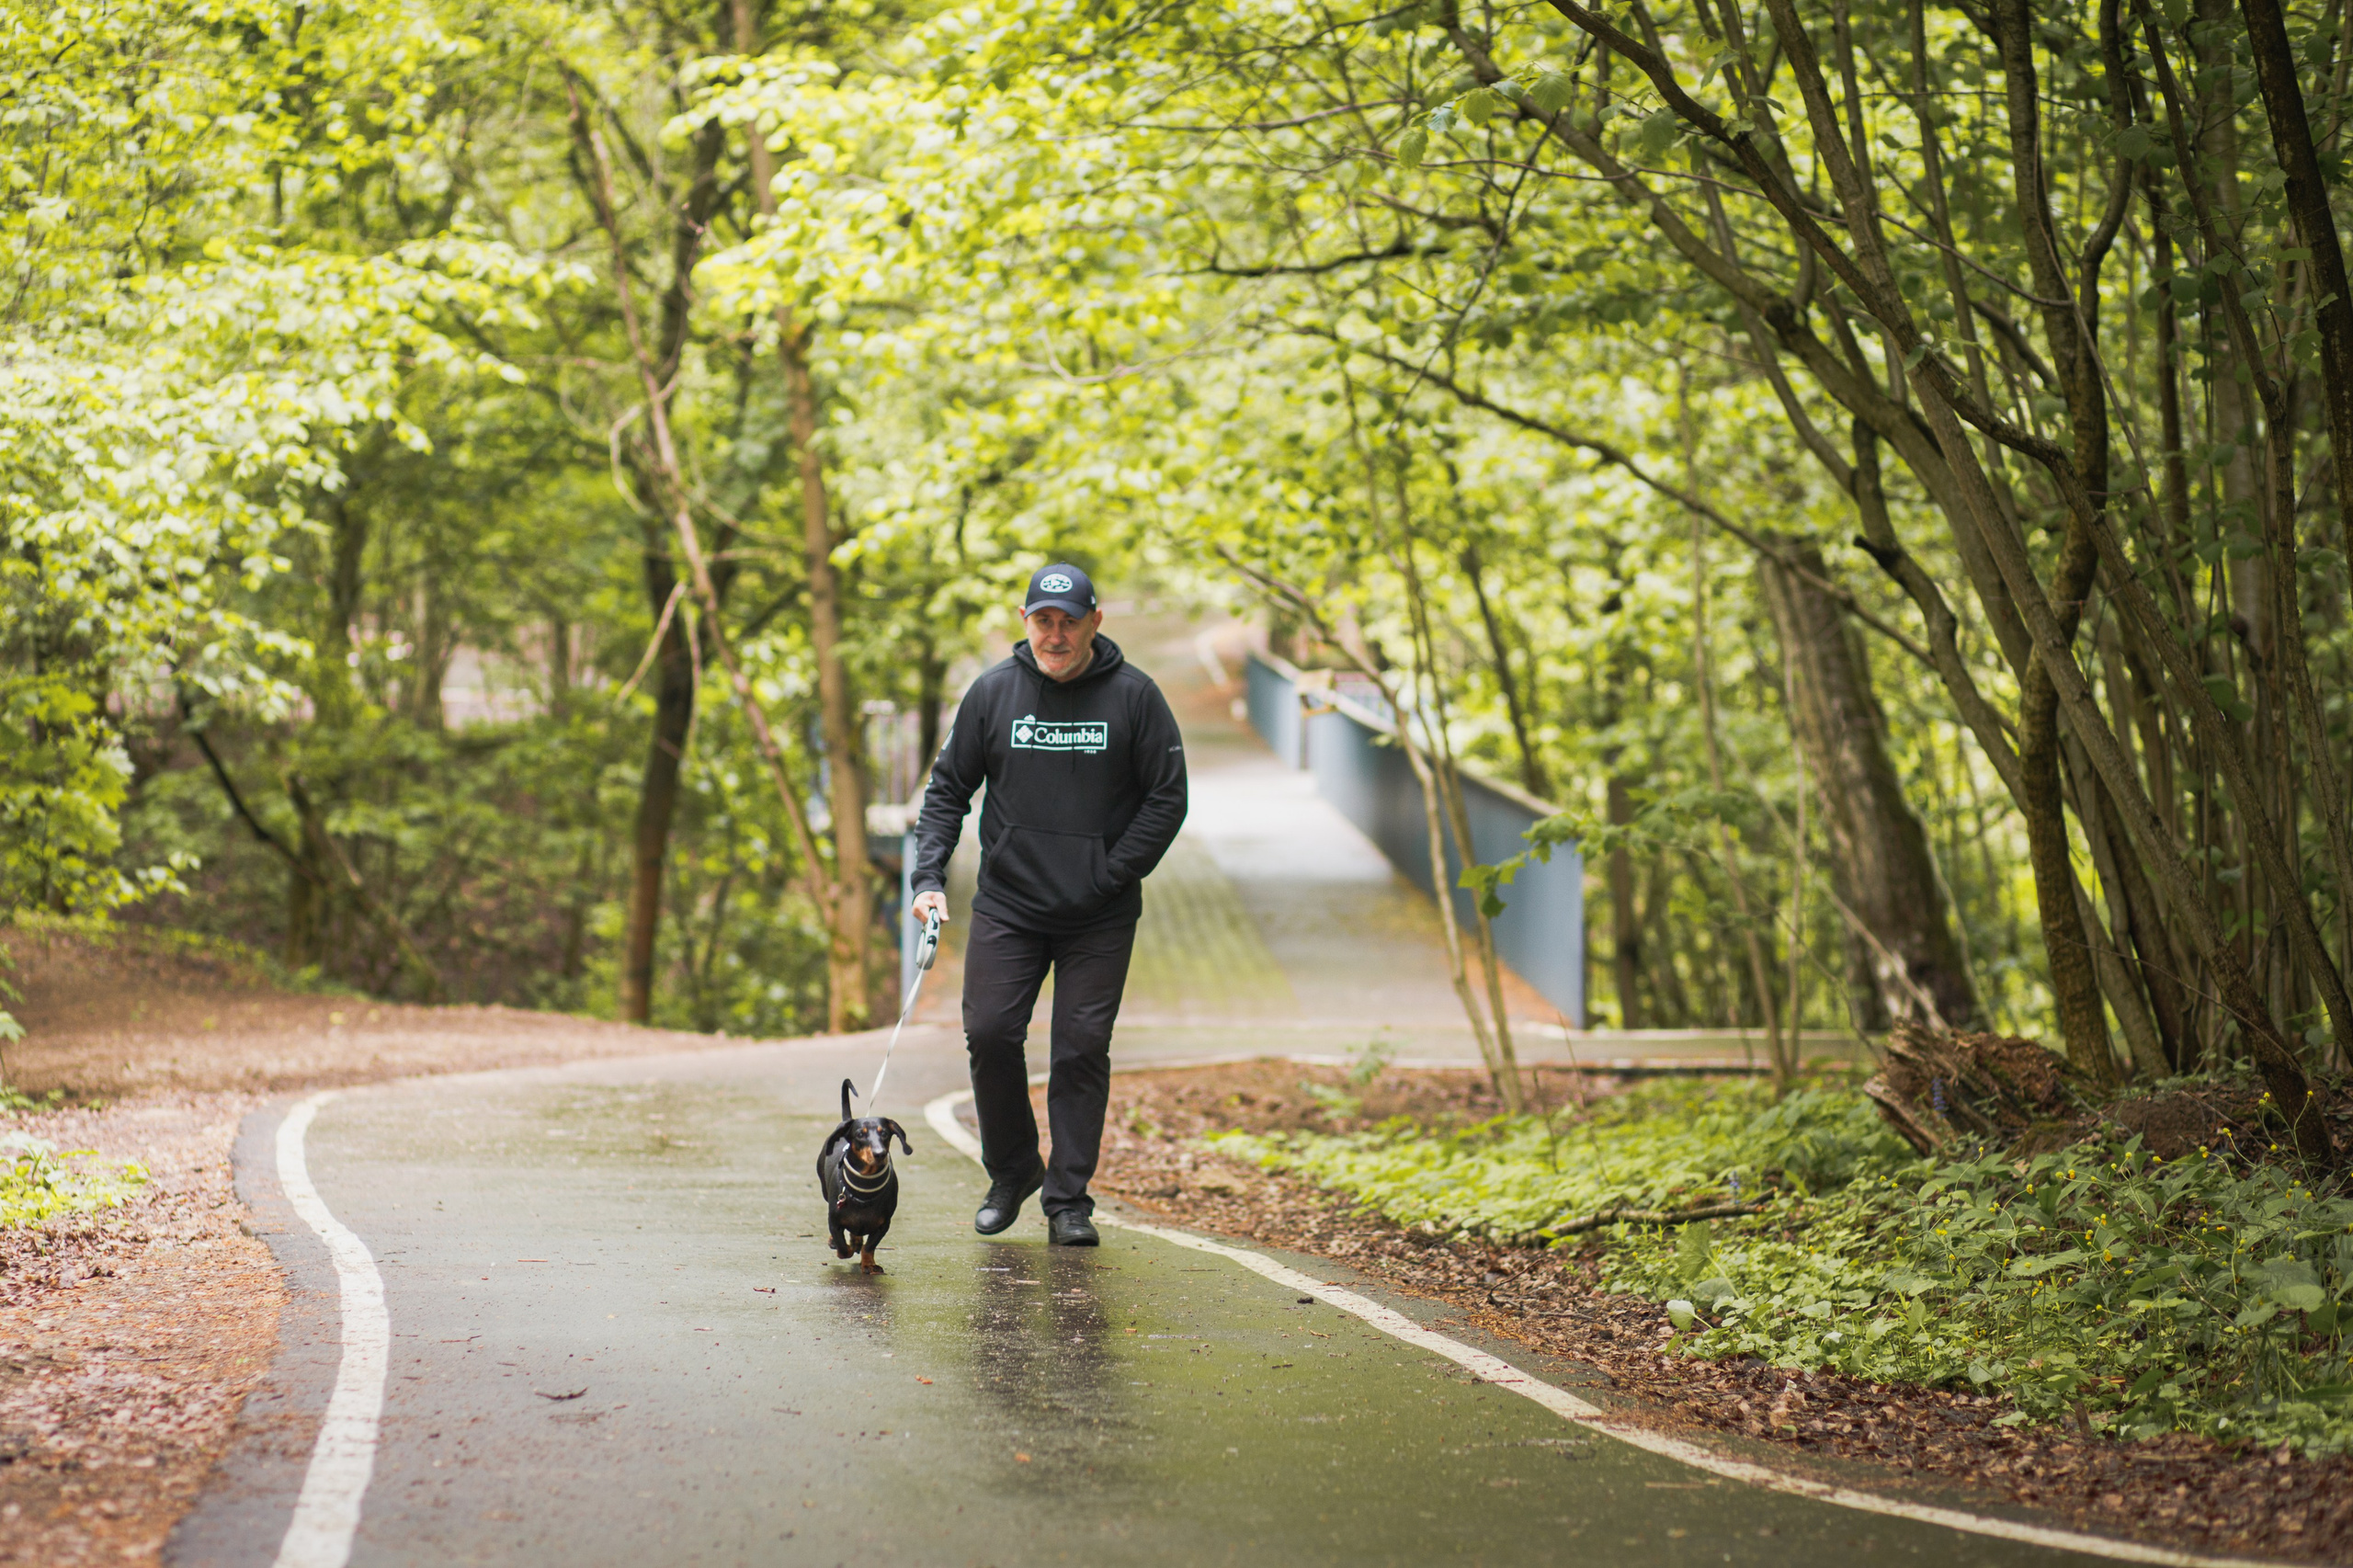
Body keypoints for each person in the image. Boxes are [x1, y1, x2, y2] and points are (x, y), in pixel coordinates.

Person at [907, 564, 1188, 1246]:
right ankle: (1011, 1172)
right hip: (1011, 903)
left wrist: (1112, 872)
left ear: (1095, 622)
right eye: (1043, 620)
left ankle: (1069, 1200)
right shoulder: (993, 694)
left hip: (1100, 910)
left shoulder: (1135, 698)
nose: (1054, 634)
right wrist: (928, 877)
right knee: (992, 1033)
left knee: (1081, 1049)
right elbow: (948, 790)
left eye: (1068, 621)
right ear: (1026, 621)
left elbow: (1167, 799)